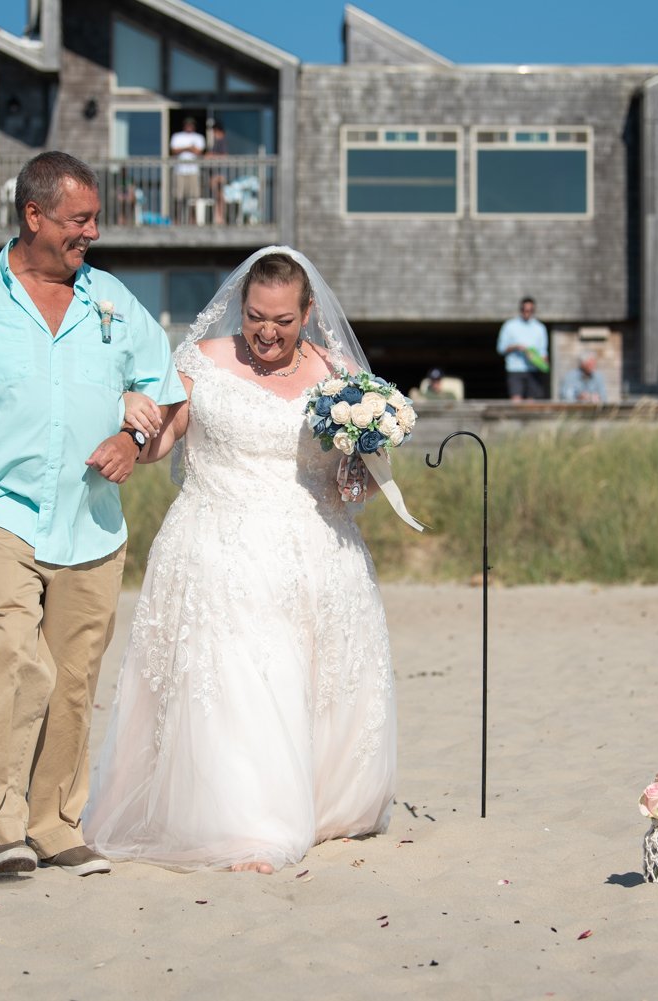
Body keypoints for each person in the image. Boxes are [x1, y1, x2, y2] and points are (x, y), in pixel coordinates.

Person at [0, 151, 187, 878]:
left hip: (91, 521)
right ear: (34, 215)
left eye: (92, 219)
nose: (92, 232)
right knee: (10, 650)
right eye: (79, 219)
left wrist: (131, 436)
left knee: (73, 674)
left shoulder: (111, 297)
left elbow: (169, 390)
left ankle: (54, 822)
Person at [83, 247, 401, 874]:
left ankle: (326, 802)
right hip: (218, 542)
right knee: (242, 677)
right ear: (241, 306)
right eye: (257, 316)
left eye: (282, 321)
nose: (266, 332)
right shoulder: (201, 362)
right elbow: (166, 437)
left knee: (312, 674)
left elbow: (350, 485)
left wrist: (359, 461)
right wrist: (131, 437)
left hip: (316, 549)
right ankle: (250, 823)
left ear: (307, 314)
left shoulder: (338, 378)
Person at [496, 297, 549, 401]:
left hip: (533, 369)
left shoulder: (540, 328)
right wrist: (515, 347)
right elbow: (501, 348)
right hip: (515, 369)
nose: (527, 313)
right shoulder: (509, 326)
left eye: (530, 310)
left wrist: (543, 361)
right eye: (525, 310)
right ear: (520, 309)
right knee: (516, 400)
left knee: (531, 403)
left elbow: (543, 352)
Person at [168, 117, 206, 224]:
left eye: (191, 124)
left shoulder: (199, 137)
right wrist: (189, 148)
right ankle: (176, 220)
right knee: (178, 196)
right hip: (179, 171)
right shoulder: (177, 136)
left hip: (193, 171)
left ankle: (192, 220)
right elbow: (174, 150)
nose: (189, 126)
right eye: (187, 124)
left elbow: (199, 151)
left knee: (193, 197)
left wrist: (184, 148)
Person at [204, 121, 229, 224]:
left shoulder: (222, 141)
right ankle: (218, 216)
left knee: (220, 195)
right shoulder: (216, 142)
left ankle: (220, 217)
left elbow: (225, 156)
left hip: (220, 173)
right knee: (218, 195)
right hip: (217, 172)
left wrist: (211, 156)